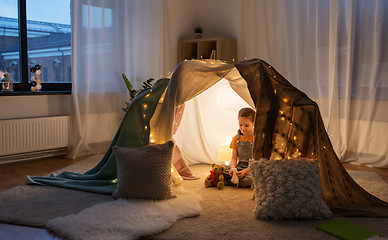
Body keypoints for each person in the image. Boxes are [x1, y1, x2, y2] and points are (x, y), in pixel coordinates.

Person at [223, 107, 255, 187]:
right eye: (240, 125)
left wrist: (246, 171)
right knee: (221, 169)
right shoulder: (236, 139)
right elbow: (234, 159)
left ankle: (228, 181)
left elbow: (258, 161)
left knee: (250, 179)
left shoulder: (256, 139)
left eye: (246, 125)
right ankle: (234, 180)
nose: (243, 128)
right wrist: (233, 169)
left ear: (253, 123)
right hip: (239, 167)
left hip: (251, 169)